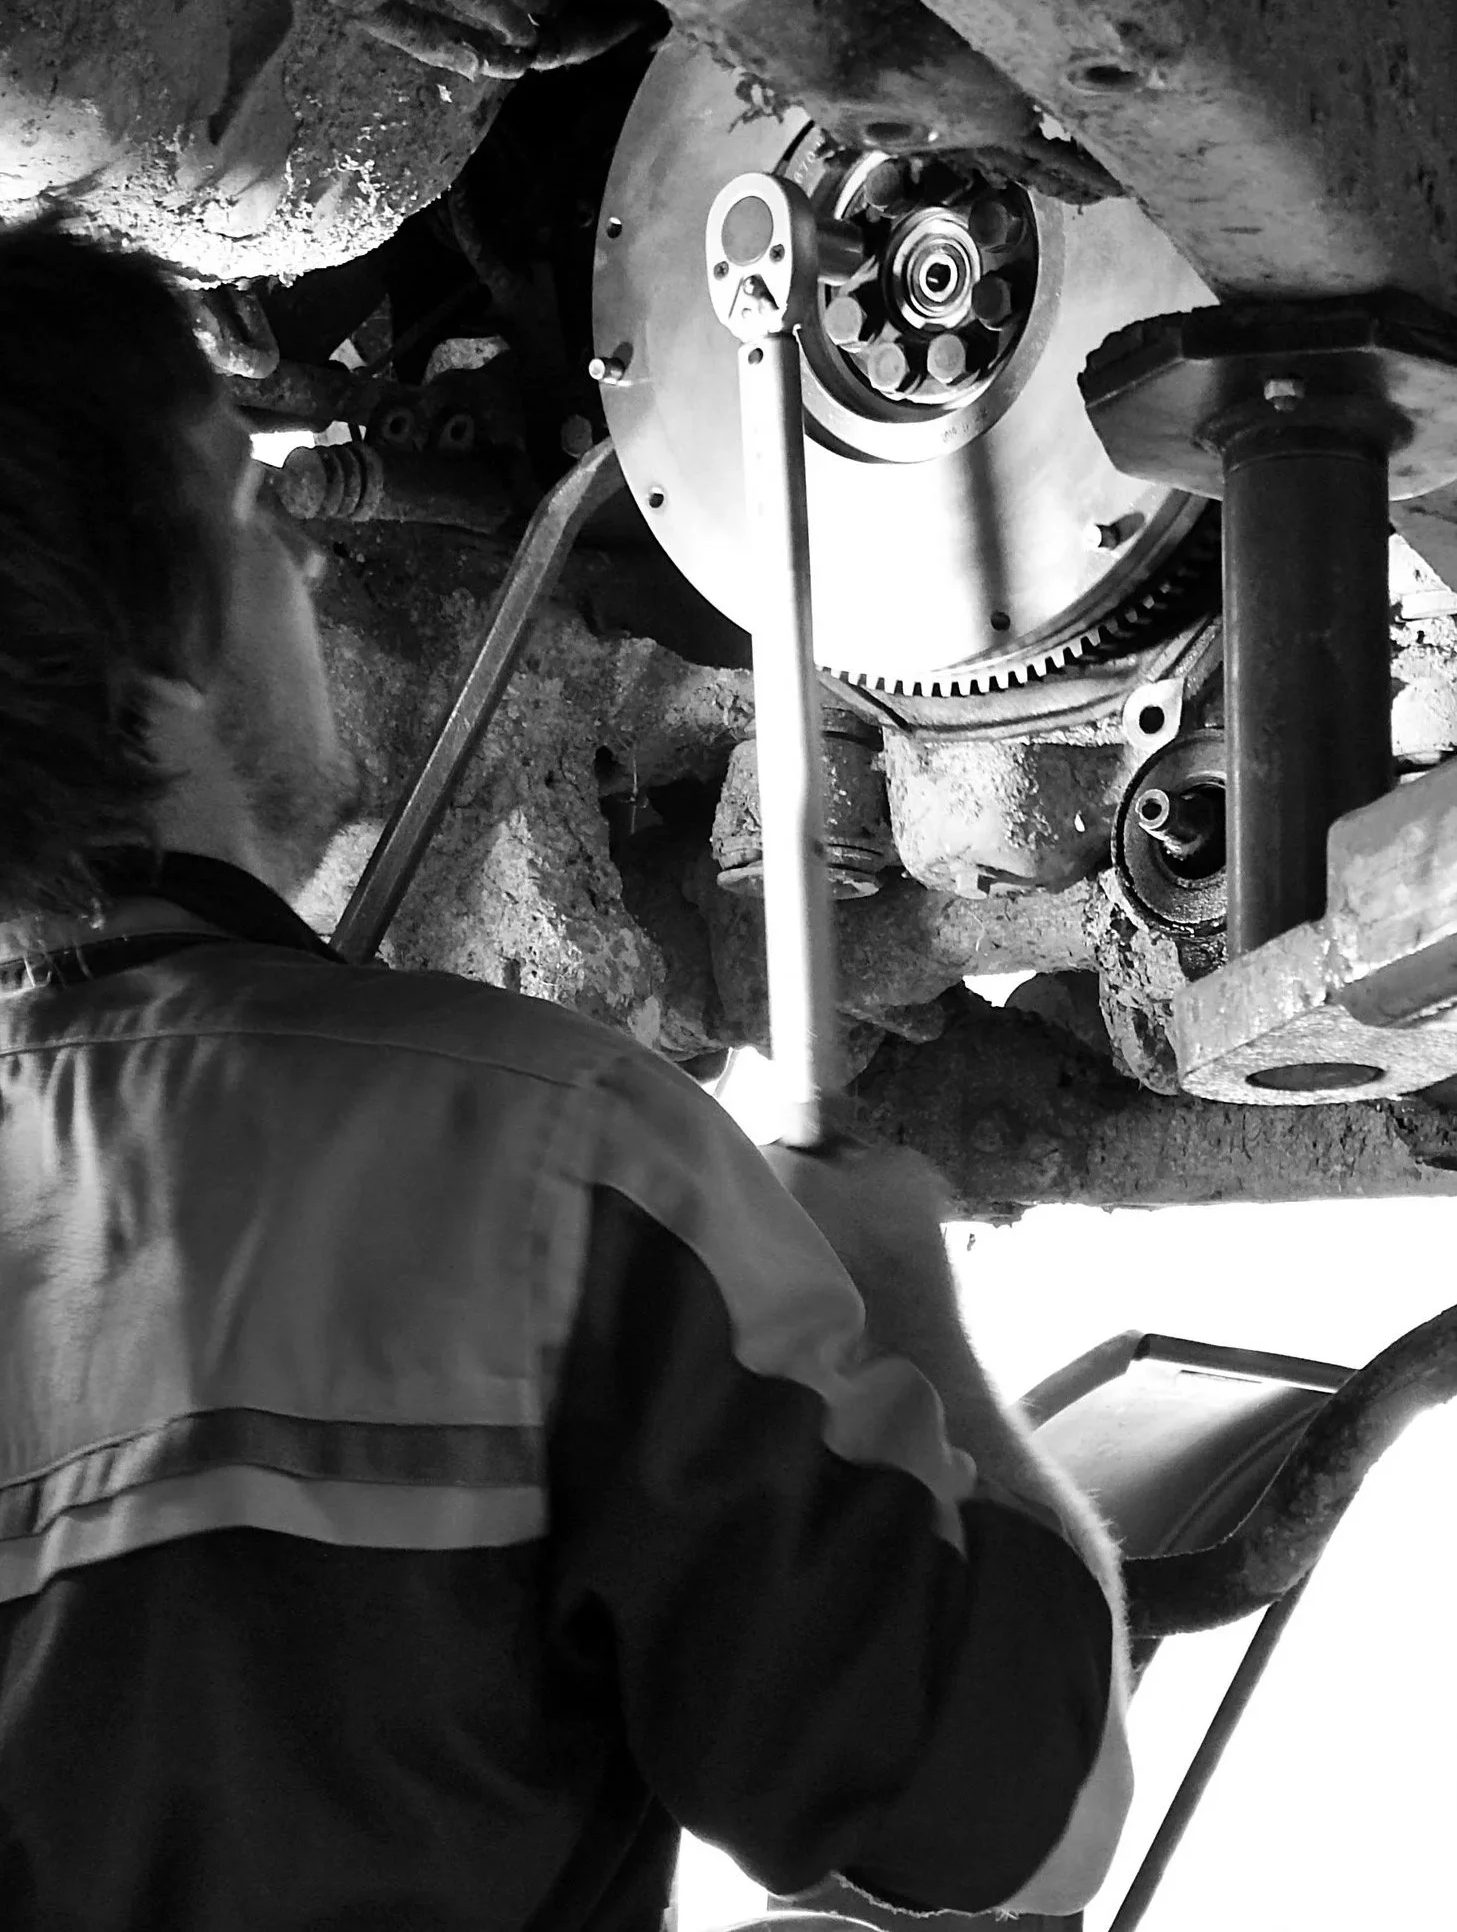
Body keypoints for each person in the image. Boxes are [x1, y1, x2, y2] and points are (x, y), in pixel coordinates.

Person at [0, 216, 1132, 1931]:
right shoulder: (543, 1168)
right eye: (248, 511)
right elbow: (1010, 1821)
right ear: (152, 680)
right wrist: (904, 1301)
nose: (304, 570)